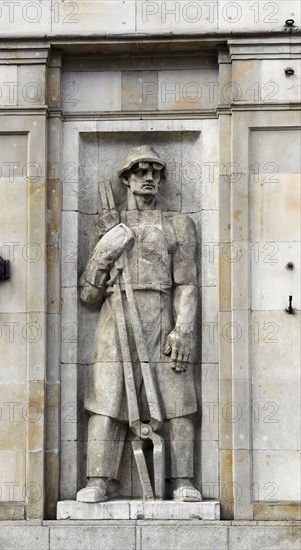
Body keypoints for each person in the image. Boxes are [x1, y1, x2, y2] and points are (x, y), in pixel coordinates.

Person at [77, 145, 202, 503]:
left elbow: (187, 284)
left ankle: (182, 481)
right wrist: (105, 252)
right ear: (126, 179)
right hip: (115, 317)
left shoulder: (179, 224)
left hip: (161, 313)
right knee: (107, 396)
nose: (148, 177)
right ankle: (98, 480)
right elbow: (88, 295)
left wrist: (184, 328)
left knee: (178, 399)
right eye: (139, 171)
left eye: (154, 172)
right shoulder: (106, 225)